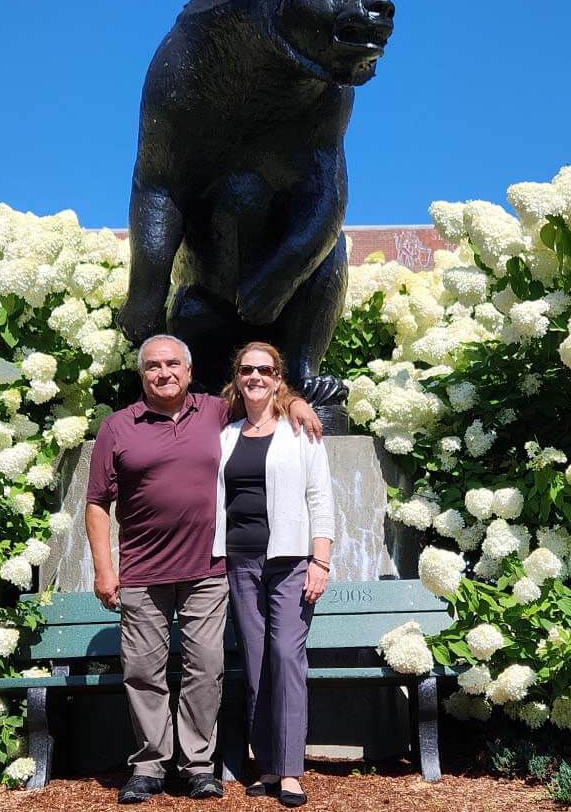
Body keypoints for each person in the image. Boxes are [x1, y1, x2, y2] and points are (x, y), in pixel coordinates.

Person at [85, 335, 322, 805]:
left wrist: (296, 403)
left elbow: (262, 394)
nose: (164, 372)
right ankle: (150, 766)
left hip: (209, 569)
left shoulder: (214, 413)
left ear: (190, 372)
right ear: (142, 374)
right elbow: (96, 503)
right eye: (153, 366)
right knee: (143, 671)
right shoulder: (117, 427)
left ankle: (197, 765)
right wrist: (103, 570)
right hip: (142, 571)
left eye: (174, 363)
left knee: (206, 669)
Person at [213, 342, 334, 808]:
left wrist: (319, 561)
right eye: (247, 369)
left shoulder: (299, 431)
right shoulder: (226, 434)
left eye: (265, 370)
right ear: (237, 377)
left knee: (286, 657)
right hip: (239, 561)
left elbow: (320, 498)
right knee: (258, 661)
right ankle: (265, 764)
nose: (255, 377)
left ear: (278, 378)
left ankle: (290, 772)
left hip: (289, 562)